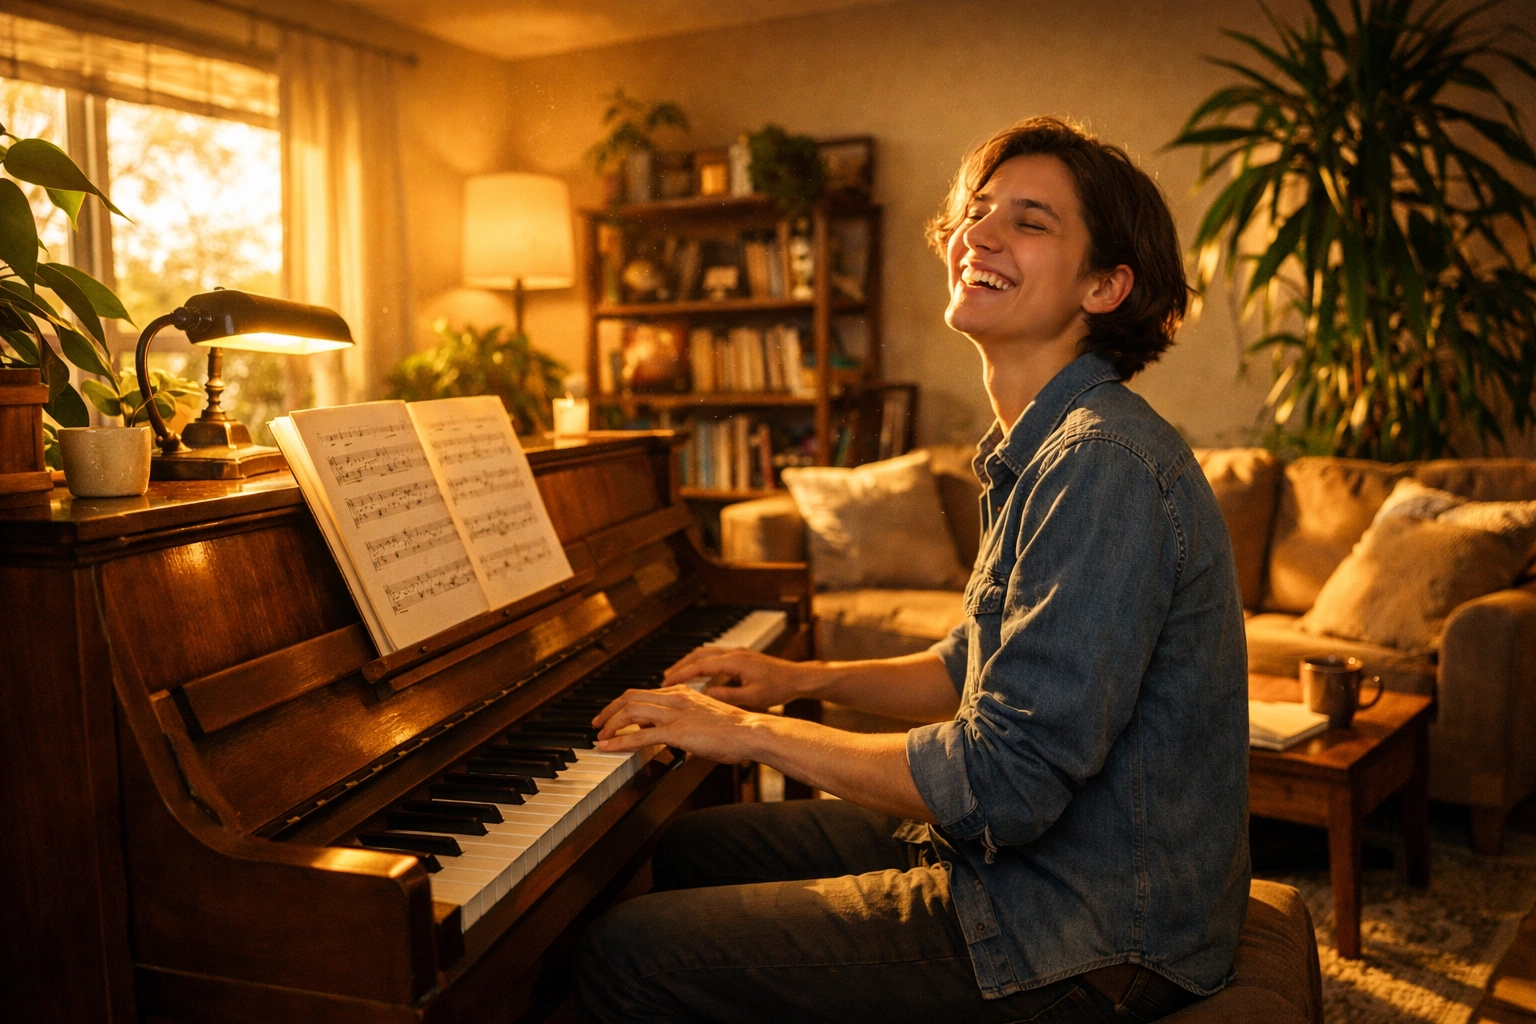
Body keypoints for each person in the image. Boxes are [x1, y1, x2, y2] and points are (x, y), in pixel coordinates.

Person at [574, 116, 1250, 1024]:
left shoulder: (1101, 463)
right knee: (695, 848)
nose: (979, 233)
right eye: (977, 212)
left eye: (1030, 221)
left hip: (1094, 928)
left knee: (627, 954)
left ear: (1105, 285)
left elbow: (1003, 784)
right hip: (1044, 872)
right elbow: (967, 667)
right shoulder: (1037, 448)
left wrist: (748, 732)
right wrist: (797, 680)